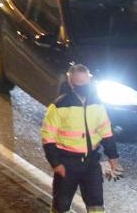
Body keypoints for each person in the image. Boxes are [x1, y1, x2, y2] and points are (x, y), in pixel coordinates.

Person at [42, 63, 123, 212]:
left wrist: (113, 158)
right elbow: (48, 138)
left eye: (85, 83)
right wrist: (56, 163)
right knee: (61, 205)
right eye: (79, 83)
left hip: (91, 162)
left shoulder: (97, 104)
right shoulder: (59, 106)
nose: (83, 86)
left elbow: (106, 132)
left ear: (89, 81)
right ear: (71, 83)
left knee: (96, 204)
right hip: (67, 163)